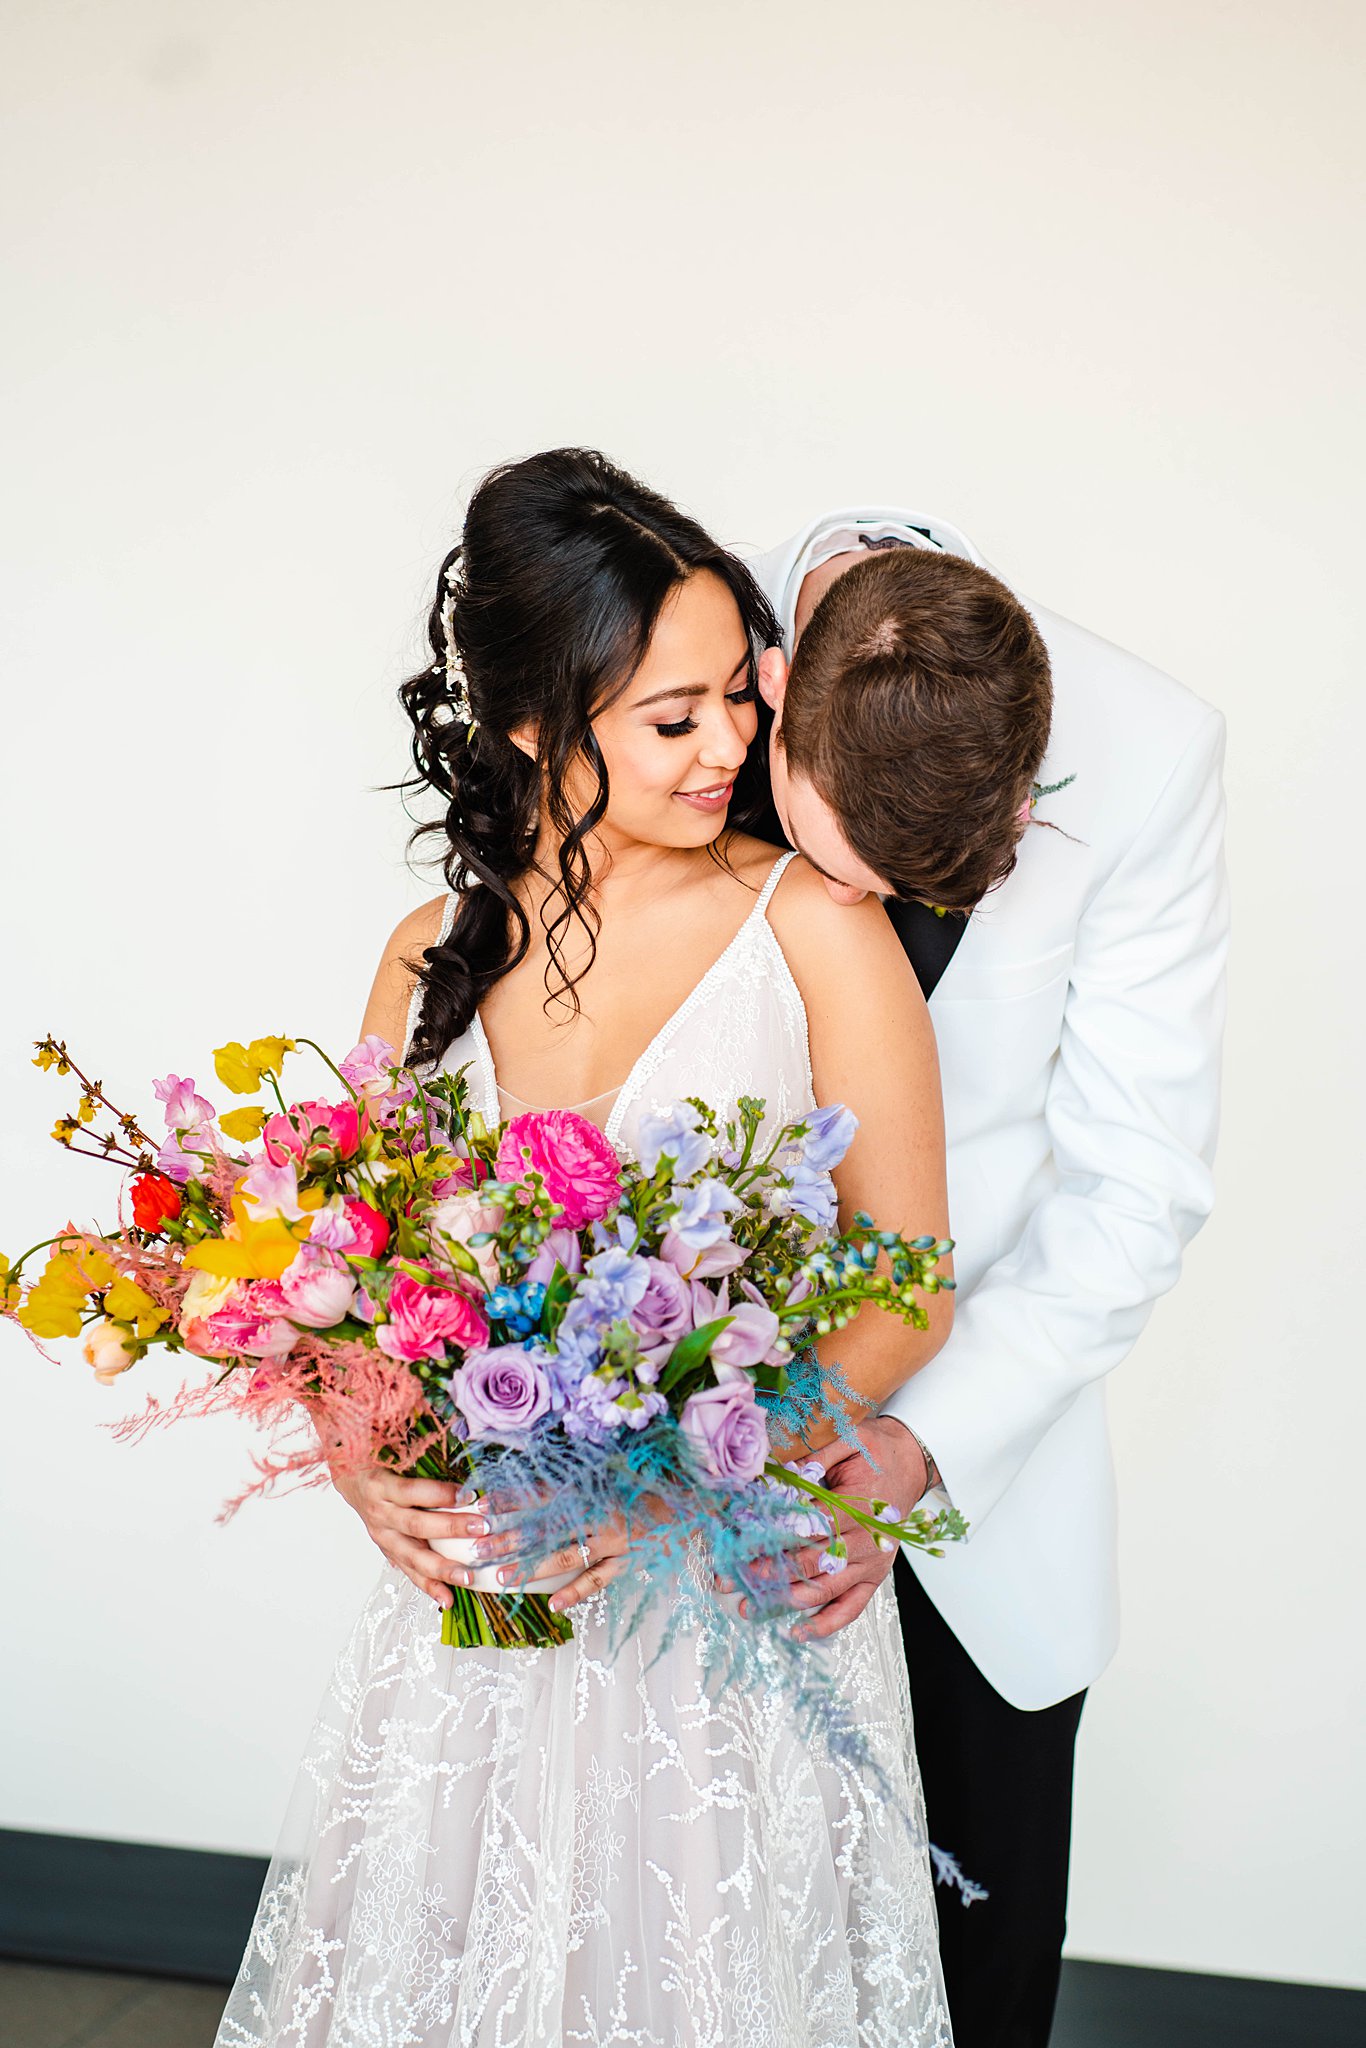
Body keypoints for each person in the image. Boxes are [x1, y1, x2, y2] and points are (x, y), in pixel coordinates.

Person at [215, 450, 957, 2048]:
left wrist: (690, 1476)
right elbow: (348, 1276)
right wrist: (363, 1459)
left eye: (736, 703)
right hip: (487, 1619)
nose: (733, 751)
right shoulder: (428, 953)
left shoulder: (811, 927)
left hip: (720, 1607)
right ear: (538, 729)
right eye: (672, 720)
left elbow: (907, 1279)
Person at [743, 509, 1229, 2048]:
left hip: (977, 1496)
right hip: (675, 1474)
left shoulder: (1153, 750)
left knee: (976, 1997)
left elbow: (1132, 1183)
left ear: (1025, 793)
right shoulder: (689, 651)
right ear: (770, 696)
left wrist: (904, 1438)